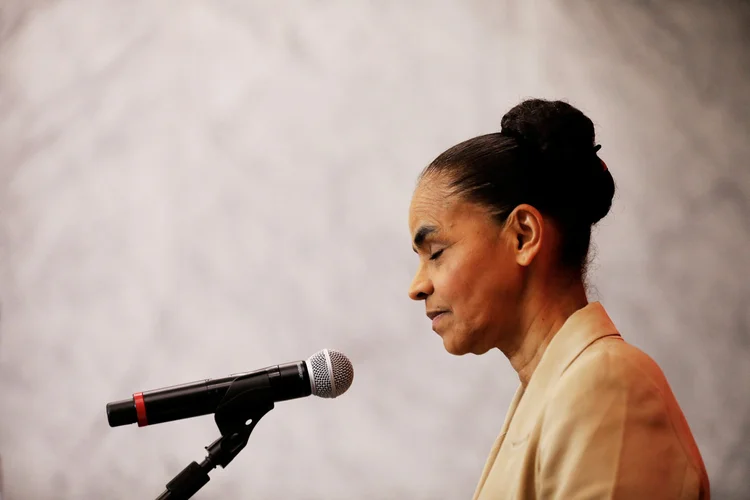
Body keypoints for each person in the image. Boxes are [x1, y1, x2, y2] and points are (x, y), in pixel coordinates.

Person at [407, 99, 710, 499]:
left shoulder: (606, 384)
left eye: (436, 252)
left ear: (523, 236)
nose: (417, 286)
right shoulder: (554, 392)